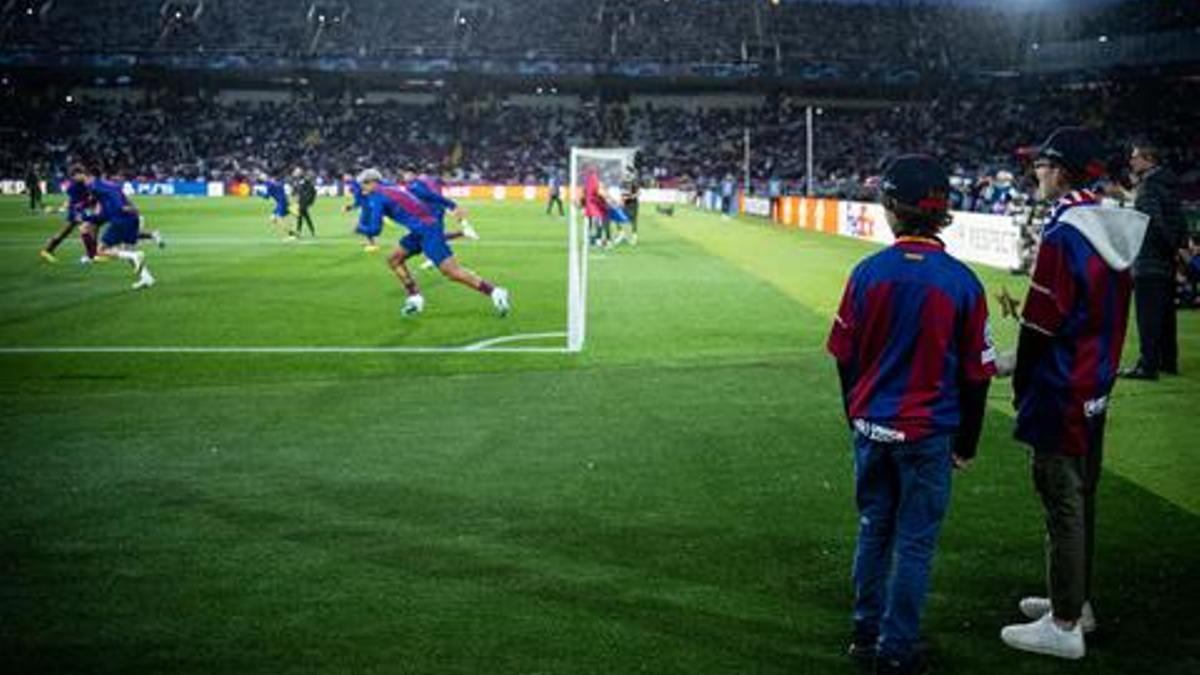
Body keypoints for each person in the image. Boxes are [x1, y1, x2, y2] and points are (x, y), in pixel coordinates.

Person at [828, 155, 996, 675]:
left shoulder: (867, 274)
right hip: (928, 434)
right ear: (943, 212)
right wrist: (967, 443)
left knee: (874, 527)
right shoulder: (963, 283)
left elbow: (844, 356)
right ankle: (896, 651)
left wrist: (854, 414)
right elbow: (977, 376)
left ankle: (864, 634)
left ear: (890, 208)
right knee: (916, 543)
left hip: (873, 427)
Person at [1001, 127, 1149, 660]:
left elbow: (1041, 326)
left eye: (1041, 164)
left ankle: (1064, 625)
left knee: (1060, 500)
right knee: (1081, 496)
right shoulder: (1111, 224)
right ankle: (1074, 600)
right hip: (1094, 383)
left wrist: (1020, 379)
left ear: (1061, 170)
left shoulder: (1064, 233)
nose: (1034, 173)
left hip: (1060, 388)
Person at [356, 168, 507, 317]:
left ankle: (495, 292)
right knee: (394, 259)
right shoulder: (391, 188)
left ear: (372, 182)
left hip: (427, 230)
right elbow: (428, 196)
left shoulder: (377, 196)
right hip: (422, 229)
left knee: (452, 272)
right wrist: (452, 205)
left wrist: (361, 228)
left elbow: (375, 229)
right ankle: (415, 298)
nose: (361, 188)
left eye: (363, 184)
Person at [1119, 141, 1189, 379]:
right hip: (1167, 261)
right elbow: (1179, 220)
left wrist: (1171, 248)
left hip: (1149, 259)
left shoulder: (1148, 186)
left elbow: (1152, 222)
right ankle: (1168, 361)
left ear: (1149, 159)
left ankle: (1147, 365)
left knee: (1148, 315)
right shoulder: (1170, 184)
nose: (1131, 161)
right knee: (1166, 315)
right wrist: (1178, 249)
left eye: (1136, 157)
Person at [76, 166, 157, 290]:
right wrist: (87, 218)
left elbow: (116, 203)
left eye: (86, 179)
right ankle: (146, 278)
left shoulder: (97, 187)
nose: (85, 183)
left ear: (91, 177)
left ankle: (135, 257)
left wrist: (121, 207)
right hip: (131, 219)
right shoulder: (106, 189)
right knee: (128, 249)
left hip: (122, 219)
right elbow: (105, 214)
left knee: (100, 250)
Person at [40, 173, 94, 263]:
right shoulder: (74, 186)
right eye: (80, 174)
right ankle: (91, 255)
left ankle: (47, 250)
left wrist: (60, 208)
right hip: (77, 210)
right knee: (84, 229)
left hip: (78, 209)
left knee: (65, 231)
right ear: (75, 175)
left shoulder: (81, 184)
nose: (84, 176)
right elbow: (75, 199)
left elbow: (74, 199)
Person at [259, 173, 290, 238]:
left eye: (262, 177)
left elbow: (267, 197)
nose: (261, 178)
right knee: (272, 218)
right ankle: (289, 232)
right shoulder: (273, 182)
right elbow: (281, 188)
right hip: (282, 201)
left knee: (280, 219)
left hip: (282, 202)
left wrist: (260, 193)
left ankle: (288, 235)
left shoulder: (269, 184)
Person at [293, 168, 317, 238]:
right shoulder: (299, 180)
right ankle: (312, 231)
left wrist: (309, 199)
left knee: (300, 217)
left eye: (296, 172)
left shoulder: (303, 180)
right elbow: (297, 189)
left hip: (303, 201)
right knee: (305, 217)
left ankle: (298, 232)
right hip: (301, 201)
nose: (295, 173)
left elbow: (311, 190)